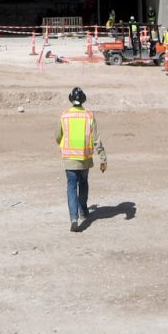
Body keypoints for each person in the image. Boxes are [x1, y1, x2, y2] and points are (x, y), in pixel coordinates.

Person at [56, 87, 106, 232]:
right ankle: (83, 211)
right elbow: (97, 139)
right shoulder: (89, 116)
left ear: (71, 99)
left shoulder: (64, 115)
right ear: (83, 99)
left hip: (69, 159)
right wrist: (103, 158)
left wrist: (63, 144)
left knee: (71, 187)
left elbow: (57, 135)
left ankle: (73, 218)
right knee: (83, 184)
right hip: (84, 159)